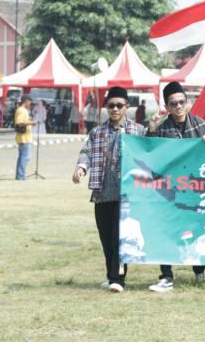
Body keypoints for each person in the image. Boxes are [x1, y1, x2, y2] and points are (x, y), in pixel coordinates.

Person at [72, 86, 146, 293]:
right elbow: (86, 153)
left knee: (119, 238)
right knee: (106, 237)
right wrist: (80, 168)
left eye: (119, 105)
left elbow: (150, 151)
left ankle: (118, 278)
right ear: (106, 107)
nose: (115, 109)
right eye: (111, 105)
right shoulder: (97, 132)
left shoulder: (138, 131)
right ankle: (111, 275)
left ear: (126, 107)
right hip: (102, 193)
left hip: (128, 194)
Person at [146, 81, 205, 293]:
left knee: (196, 230)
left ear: (188, 103)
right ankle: (166, 276)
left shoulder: (200, 125)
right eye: (173, 103)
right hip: (169, 191)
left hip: (195, 190)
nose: (178, 106)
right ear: (167, 106)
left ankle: (199, 271)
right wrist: (150, 130)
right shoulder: (162, 128)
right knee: (167, 231)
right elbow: (147, 152)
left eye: (181, 102)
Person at [14, 96, 37, 180]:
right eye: (30, 102)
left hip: (24, 137)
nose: (30, 104)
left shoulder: (22, 110)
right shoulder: (21, 110)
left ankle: (19, 176)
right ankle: (21, 176)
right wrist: (31, 123)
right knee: (26, 157)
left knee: (22, 157)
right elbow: (19, 122)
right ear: (26, 101)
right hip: (24, 138)